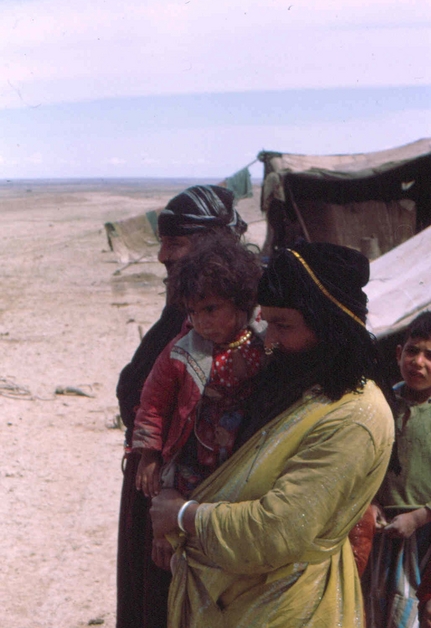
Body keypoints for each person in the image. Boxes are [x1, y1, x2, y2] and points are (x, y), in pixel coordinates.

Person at [149, 241, 395, 628]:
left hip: (291, 606)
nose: (269, 339)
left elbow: (279, 529)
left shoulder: (355, 415)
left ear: (329, 324)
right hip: (231, 599)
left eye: (284, 326)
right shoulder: (289, 383)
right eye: (267, 322)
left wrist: (181, 515)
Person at [116, 185, 247, 628]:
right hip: (156, 486)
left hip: (190, 498)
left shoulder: (228, 320)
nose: (162, 256)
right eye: (162, 243)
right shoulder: (185, 314)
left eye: (175, 243)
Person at [132, 235, 266, 534]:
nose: (201, 321)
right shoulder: (182, 351)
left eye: (210, 309)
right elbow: (153, 402)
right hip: (198, 459)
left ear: (240, 300)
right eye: (193, 312)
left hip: (250, 455)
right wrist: (149, 455)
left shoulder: (265, 342)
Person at [364, 311, 431, 628]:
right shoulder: (381, 403)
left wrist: (419, 517)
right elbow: (367, 462)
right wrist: (372, 502)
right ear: (398, 353)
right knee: (375, 607)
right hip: (381, 528)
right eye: (412, 351)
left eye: (430, 355)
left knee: (413, 610)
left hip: (423, 534)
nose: (418, 362)